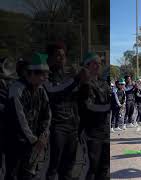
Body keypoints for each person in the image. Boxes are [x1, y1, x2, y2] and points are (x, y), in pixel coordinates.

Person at [44, 42, 87, 180]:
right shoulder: (45, 75)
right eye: (57, 55)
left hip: (72, 125)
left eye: (63, 55)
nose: (61, 58)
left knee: (69, 166)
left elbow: (79, 99)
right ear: (49, 57)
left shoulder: (69, 75)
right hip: (56, 125)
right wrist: (75, 80)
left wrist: (85, 83)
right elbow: (53, 92)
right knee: (53, 165)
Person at [5, 53, 51, 180]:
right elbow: (19, 119)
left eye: (47, 74)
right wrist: (34, 140)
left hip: (34, 142)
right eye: (42, 74)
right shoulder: (17, 89)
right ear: (30, 73)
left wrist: (43, 134)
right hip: (16, 142)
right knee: (13, 174)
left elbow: (47, 114)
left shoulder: (41, 90)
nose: (45, 78)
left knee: (29, 175)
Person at [78, 53, 111, 180]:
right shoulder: (84, 84)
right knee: (92, 167)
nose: (98, 65)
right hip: (91, 132)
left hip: (105, 131)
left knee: (104, 167)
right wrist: (108, 107)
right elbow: (88, 106)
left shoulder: (104, 84)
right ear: (87, 66)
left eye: (99, 63)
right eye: (94, 63)